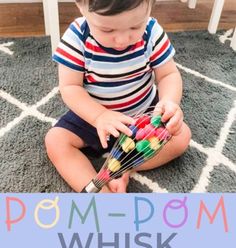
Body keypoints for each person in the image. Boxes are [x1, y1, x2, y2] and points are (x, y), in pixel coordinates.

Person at [45, 0, 191, 193]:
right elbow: (70, 87)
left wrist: (169, 102)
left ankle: (123, 167)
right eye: (107, 30)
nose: (122, 40)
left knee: (182, 136)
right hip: (93, 118)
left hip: (142, 119)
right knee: (56, 141)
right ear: (80, 5)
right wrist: (99, 116)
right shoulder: (77, 38)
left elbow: (168, 75)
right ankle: (100, 192)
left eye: (134, 26)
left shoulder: (152, 32)